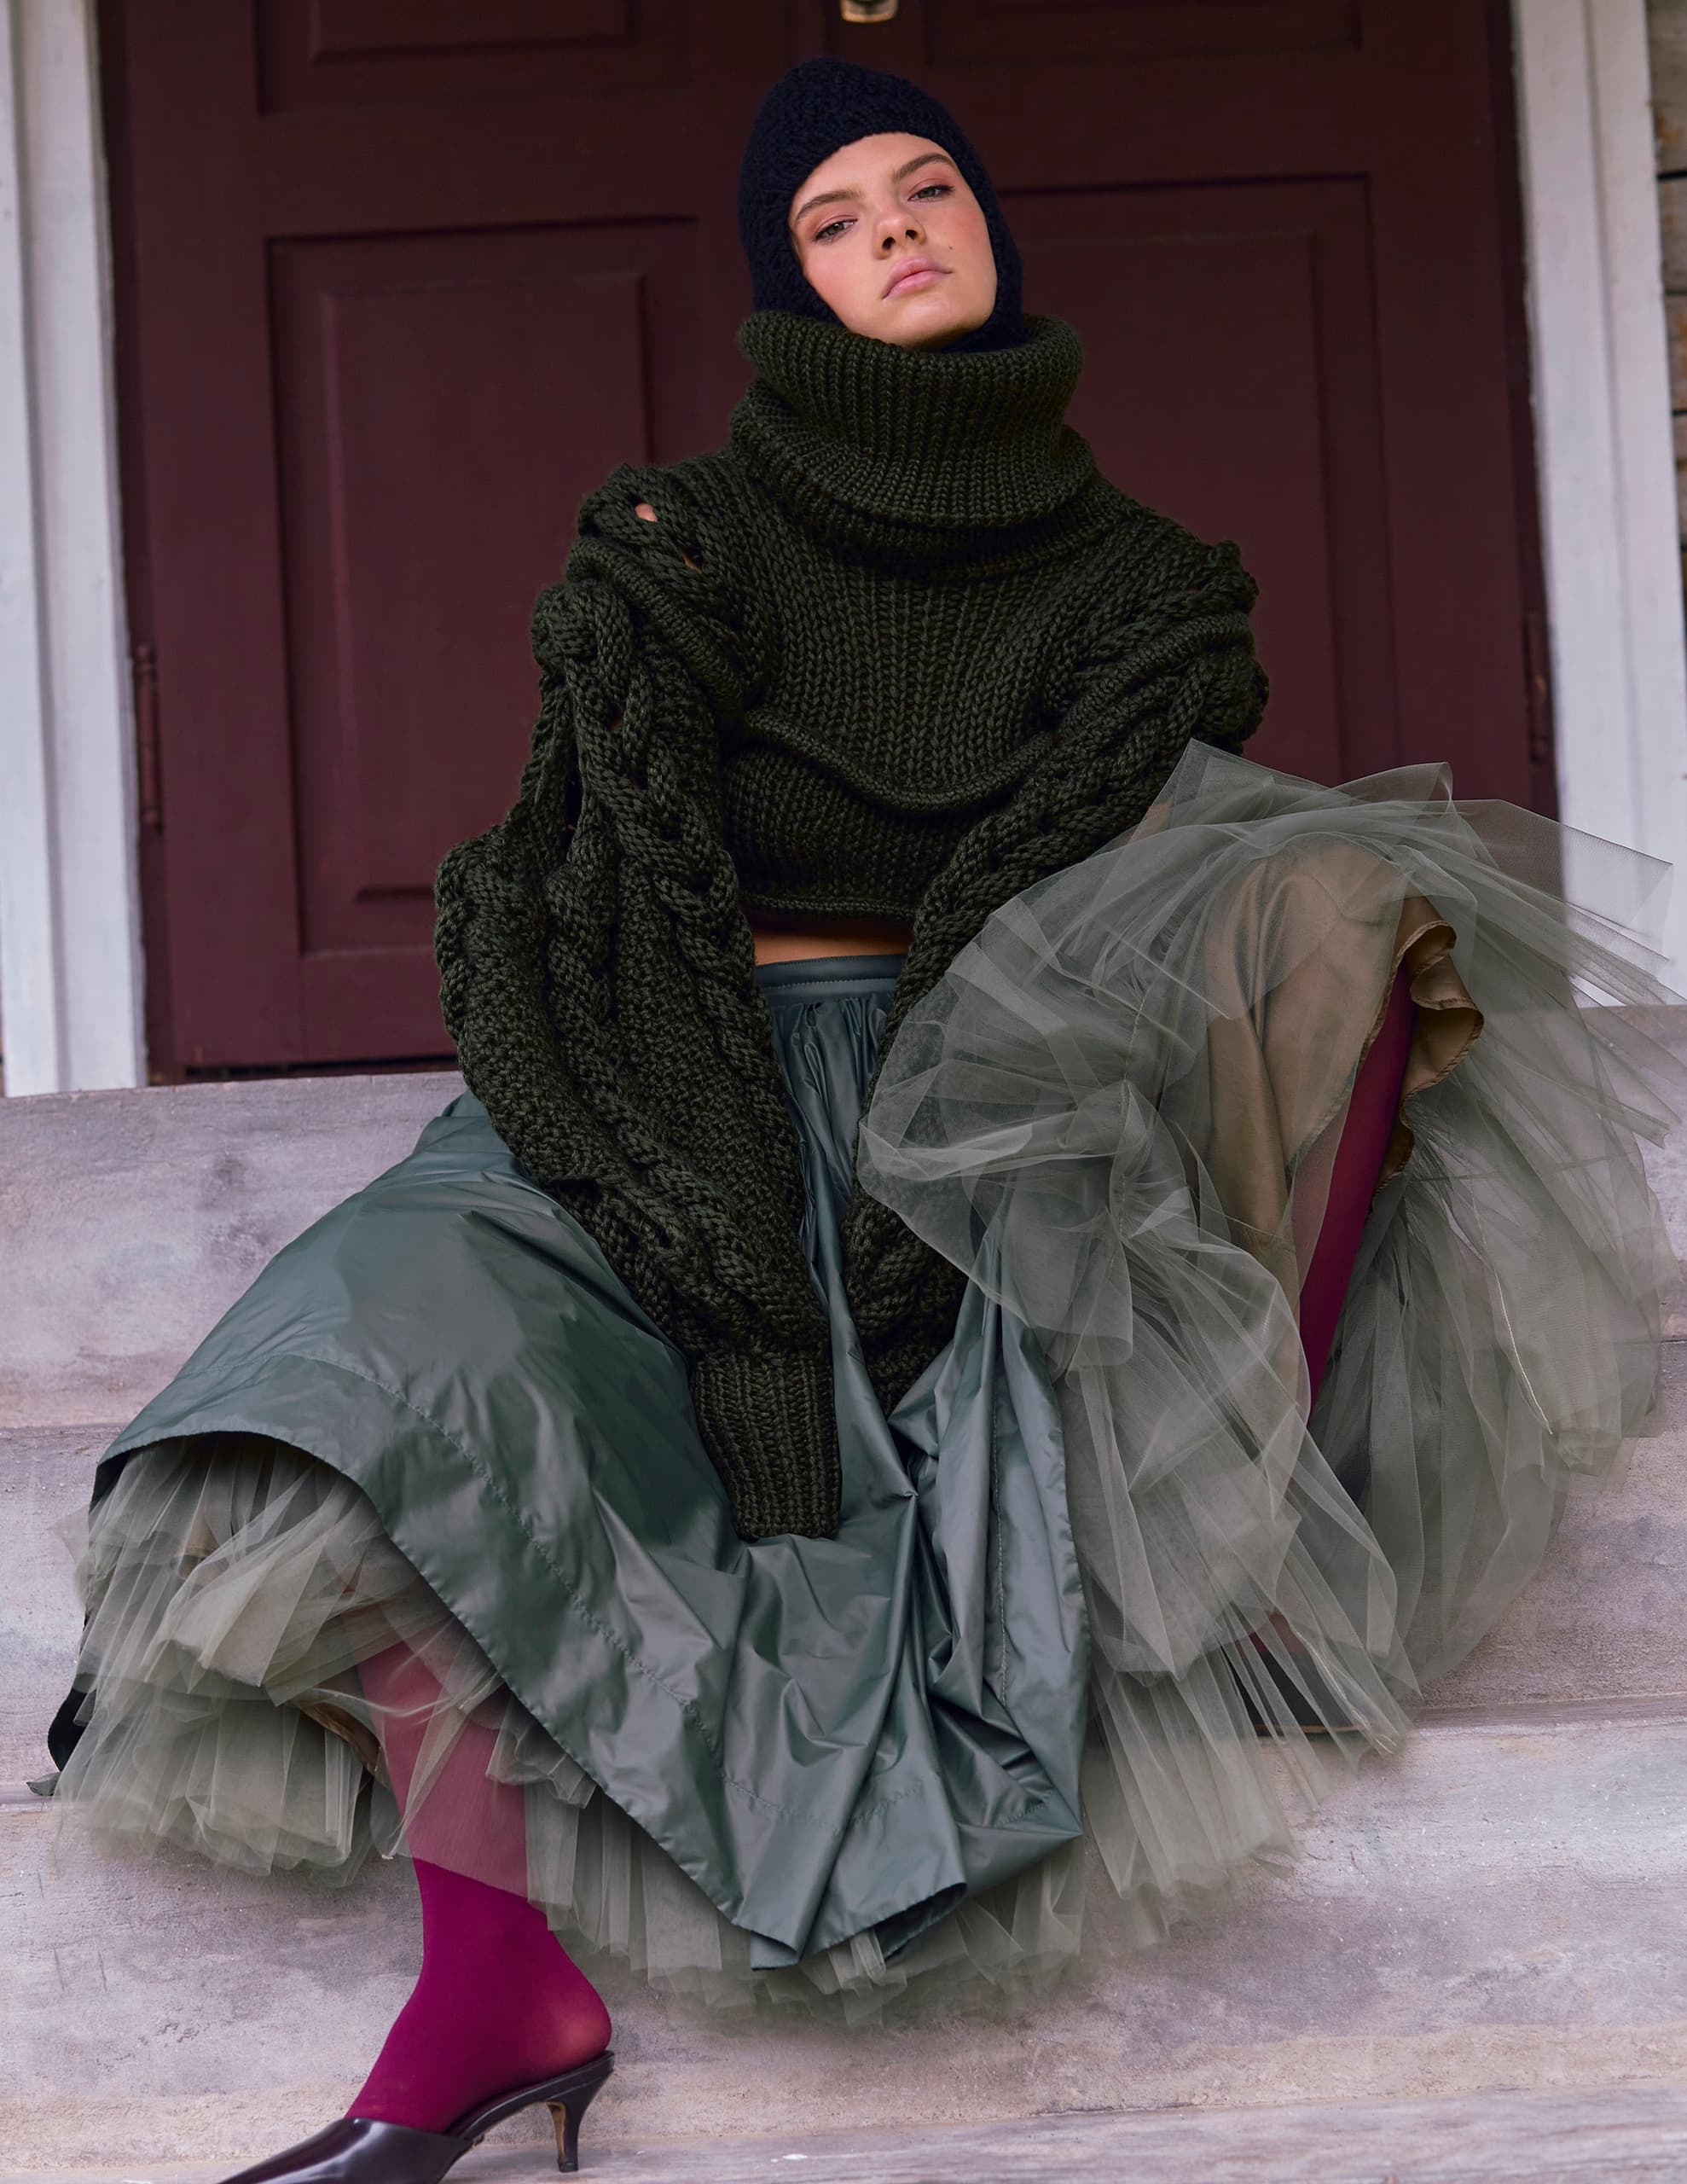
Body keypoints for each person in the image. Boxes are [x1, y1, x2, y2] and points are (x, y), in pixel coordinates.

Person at [33, 55, 1684, 2184]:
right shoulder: (678, 540)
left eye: (926, 191)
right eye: (834, 216)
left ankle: (1243, 1507)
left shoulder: (1143, 586)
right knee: (359, 1354)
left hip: (995, 1093)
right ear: (785, 283)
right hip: (679, 1068)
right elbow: (605, 886)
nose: (894, 229)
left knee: (1344, 886)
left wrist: (926, 1171)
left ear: (988, 226)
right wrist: (724, 1238)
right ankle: (493, 1987)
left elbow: (1069, 883)